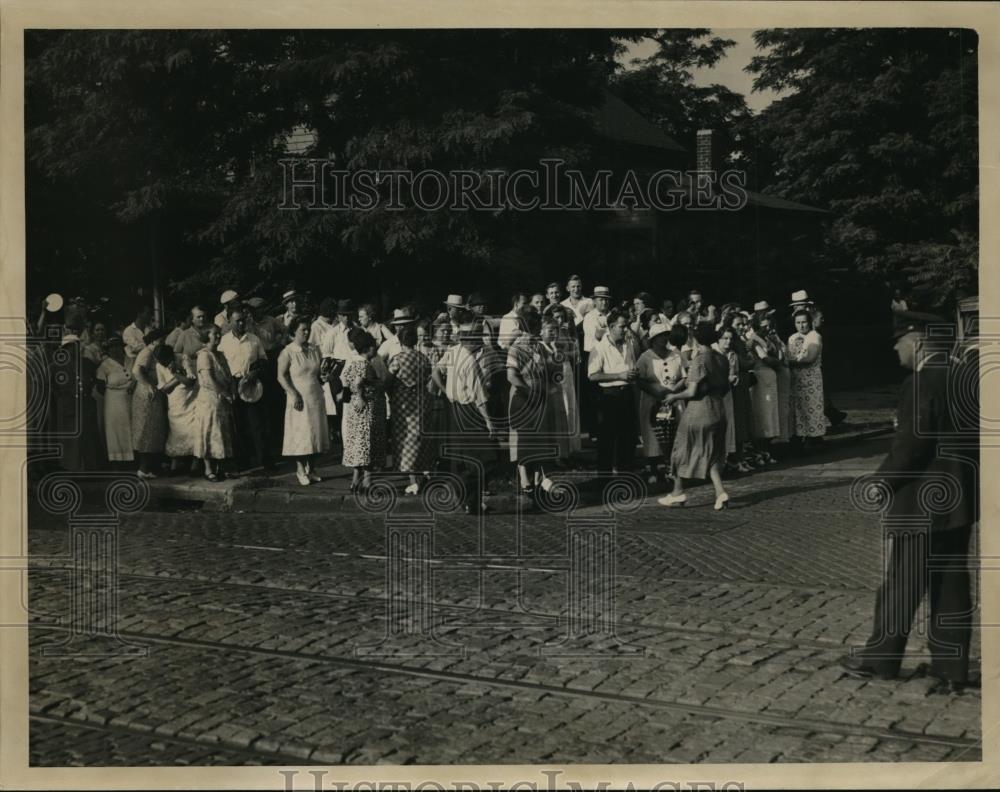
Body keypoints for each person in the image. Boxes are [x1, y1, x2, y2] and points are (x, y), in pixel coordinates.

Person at [839, 311, 979, 694]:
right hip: (960, 501)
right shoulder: (966, 378)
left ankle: (880, 658)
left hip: (920, 502)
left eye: (898, 342)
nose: (895, 349)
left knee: (902, 580)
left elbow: (912, 447)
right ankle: (952, 668)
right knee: (951, 585)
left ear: (916, 341)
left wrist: (881, 482)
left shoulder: (919, 382)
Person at [657, 322, 731, 510]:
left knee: (680, 450)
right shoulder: (722, 359)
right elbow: (724, 387)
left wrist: (673, 396)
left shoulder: (700, 359)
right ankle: (720, 492)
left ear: (697, 338)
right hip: (719, 410)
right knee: (712, 454)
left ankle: (677, 492)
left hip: (699, 411)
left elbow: (691, 392)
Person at [432, 318, 502, 514]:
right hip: (470, 411)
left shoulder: (454, 352)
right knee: (489, 458)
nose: (480, 339)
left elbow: (436, 370)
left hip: (456, 410)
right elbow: (479, 396)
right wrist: (489, 422)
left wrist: (446, 390)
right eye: (476, 336)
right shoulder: (469, 361)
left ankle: (472, 503)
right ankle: (460, 485)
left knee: (468, 458)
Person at [219, 305, 273, 473]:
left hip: (251, 383)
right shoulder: (224, 341)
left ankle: (265, 461)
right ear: (229, 322)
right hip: (234, 384)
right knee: (238, 425)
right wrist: (228, 386)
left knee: (257, 423)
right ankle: (243, 462)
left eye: (243, 320)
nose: (241, 323)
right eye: (237, 321)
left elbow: (264, 360)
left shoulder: (253, 339)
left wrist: (255, 372)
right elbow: (220, 365)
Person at [277, 316, 330, 485]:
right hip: (298, 398)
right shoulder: (288, 352)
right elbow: (281, 376)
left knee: (314, 433)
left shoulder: (315, 349)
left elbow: (317, 374)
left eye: (308, 329)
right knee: (301, 434)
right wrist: (294, 394)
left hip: (315, 395)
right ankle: (300, 469)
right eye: (303, 330)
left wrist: (323, 376)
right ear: (294, 332)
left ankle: (311, 469)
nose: (307, 332)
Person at [587, 309, 640, 474]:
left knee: (628, 437)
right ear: (611, 326)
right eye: (622, 327)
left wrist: (632, 374)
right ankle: (604, 477)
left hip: (627, 393)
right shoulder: (599, 348)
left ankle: (627, 474)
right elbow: (592, 376)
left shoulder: (628, 344)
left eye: (626, 327)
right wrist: (619, 375)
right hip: (609, 396)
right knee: (607, 439)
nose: (625, 330)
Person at [385, 322, 432, 495]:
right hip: (421, 402)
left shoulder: (397, 360)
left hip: (403, 405)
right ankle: (423, 474)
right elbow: (428, 375)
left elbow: (388, 381)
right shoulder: (423, 358)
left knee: (407, 441)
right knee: (420, 439)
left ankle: (414, 481)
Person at [636, 322, 686, 484]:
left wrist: (673, 391)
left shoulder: (676, 355)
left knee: (674, 432)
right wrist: (656, 391)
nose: (664, 339)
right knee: (652, 434)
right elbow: (639, 379)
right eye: (660, 336)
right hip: (652, 400)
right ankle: (653, 468)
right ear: (653, 339)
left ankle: (672, 467)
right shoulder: (645, 357)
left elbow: (684, 377)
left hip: (673, 399)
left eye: (666, 335)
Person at [340, 328, 388, 493]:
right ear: (368, 348)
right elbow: (359, 381)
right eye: (374, 346)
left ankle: (355, 481)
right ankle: (367, 482)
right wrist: (360, 396)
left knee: (360, 444)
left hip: (358, 408)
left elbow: (346, 379)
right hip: (367, 407)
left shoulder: (354, 362)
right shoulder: (363, 364)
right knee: (368, 443)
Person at [51, 318, 102, 471]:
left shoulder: (85, 362)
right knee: (70, 439)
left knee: (87, 437)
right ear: (65, 349)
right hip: (67, 406)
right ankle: (71, 468)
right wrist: (60, 396)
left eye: (77, 346)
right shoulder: (55, 365)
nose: (75, 349)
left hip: (84, 405)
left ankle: (89, 467)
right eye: (71, 347)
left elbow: (95, 377)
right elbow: (49, 383)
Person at [507, 310, 546, 495]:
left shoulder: (538, 346)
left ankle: (538, 477)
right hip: (523, 397)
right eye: (536, 325)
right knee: (525, 438)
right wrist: (529, 391)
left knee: (539, 438)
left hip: (538, 395)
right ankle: (524, 477)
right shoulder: (517, 348)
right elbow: (511, 376)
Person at [194, 325, 237, 482]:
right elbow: (209, 379)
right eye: (215, 334)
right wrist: (224, 393)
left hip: (222, 400)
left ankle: (221, 468)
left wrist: (232, 389)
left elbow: (229, 374)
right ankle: (208, 469)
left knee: (223, 432)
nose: (218, 336)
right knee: (210, 431)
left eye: (219, 334)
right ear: (207, 336)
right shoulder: (204, 355)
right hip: (209, 400)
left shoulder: (220, 354)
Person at [155, 341, 200, 475]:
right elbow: (164, 389)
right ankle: (175, 464)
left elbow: (191, 382)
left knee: (193, 430)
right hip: (175, 401)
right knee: (176, 431)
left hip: (190, 399)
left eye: (165, 361)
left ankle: (195, 464)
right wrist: (178, 376)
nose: (163, 364)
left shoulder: (182, 358)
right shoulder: (159, 365)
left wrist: (176, 373)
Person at [131, 327, 170, 479]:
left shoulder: (153, 352)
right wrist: (148, 385)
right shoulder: (147, 352)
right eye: (161, 339)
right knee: (146, 430)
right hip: (146, 396)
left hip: (152, 394)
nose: (163, 342)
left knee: (153, 431)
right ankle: (144, 469)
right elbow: (137, 370)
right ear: (154, 340)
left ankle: (151, 468)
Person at [746, 306, 781, 464]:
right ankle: (760, 450)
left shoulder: (768, 337)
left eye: (768, 324)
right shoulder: (753, 340)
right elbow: (765, 358)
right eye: (763, 325)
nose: (767, 327)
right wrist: (778, 362)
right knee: (762, 413)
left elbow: (778, 352)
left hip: (770, 377)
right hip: (760, 377)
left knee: (771, 412)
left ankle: (767, 449)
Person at [788, 309, 826, 448]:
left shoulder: (814, 336)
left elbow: (810, 358)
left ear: (809, 322)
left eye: (804, 322)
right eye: (798, 322)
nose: (801, 325)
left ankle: (815, 439)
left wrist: (788, 362)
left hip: (811, 378)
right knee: (798, 408)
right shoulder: (792, 338)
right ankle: (799, 437)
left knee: (812, 407)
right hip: (796, 378)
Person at [95, 337, 134, 467]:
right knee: (115, 429)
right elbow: (100, 386)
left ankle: (131, 459)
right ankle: (117, 461)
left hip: (131, 399)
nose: (116, 349)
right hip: (113, 401)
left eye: (118, 346)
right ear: (109, 350)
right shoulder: (105, 365)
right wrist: (114, 392)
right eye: (112, 347)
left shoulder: (130, 360)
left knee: (131, 427)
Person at [122, 306, 152, 373]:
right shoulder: (128, 331)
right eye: (147, 313)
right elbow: (136, 348)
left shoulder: (149, 329)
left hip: (149, 365)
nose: (150, 316)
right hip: (134, 366)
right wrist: (150, 344)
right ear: (139, 314)